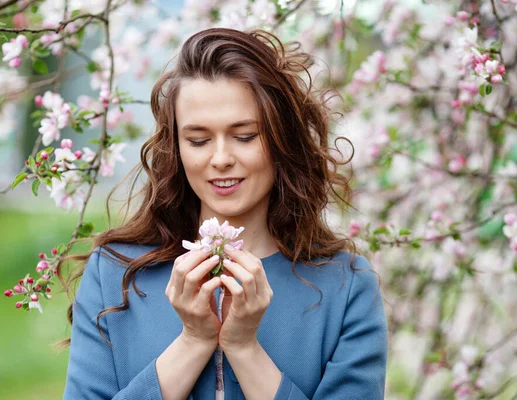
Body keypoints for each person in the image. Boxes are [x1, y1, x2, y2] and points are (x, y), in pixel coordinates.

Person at [61, 28, 388, 400]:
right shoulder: (114, 274)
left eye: (245, 136)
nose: (220, 159)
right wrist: (194, 340)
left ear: (282, 140)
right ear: (177, 149)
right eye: (198, 140)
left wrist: (246, 348)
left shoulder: (346, 287)